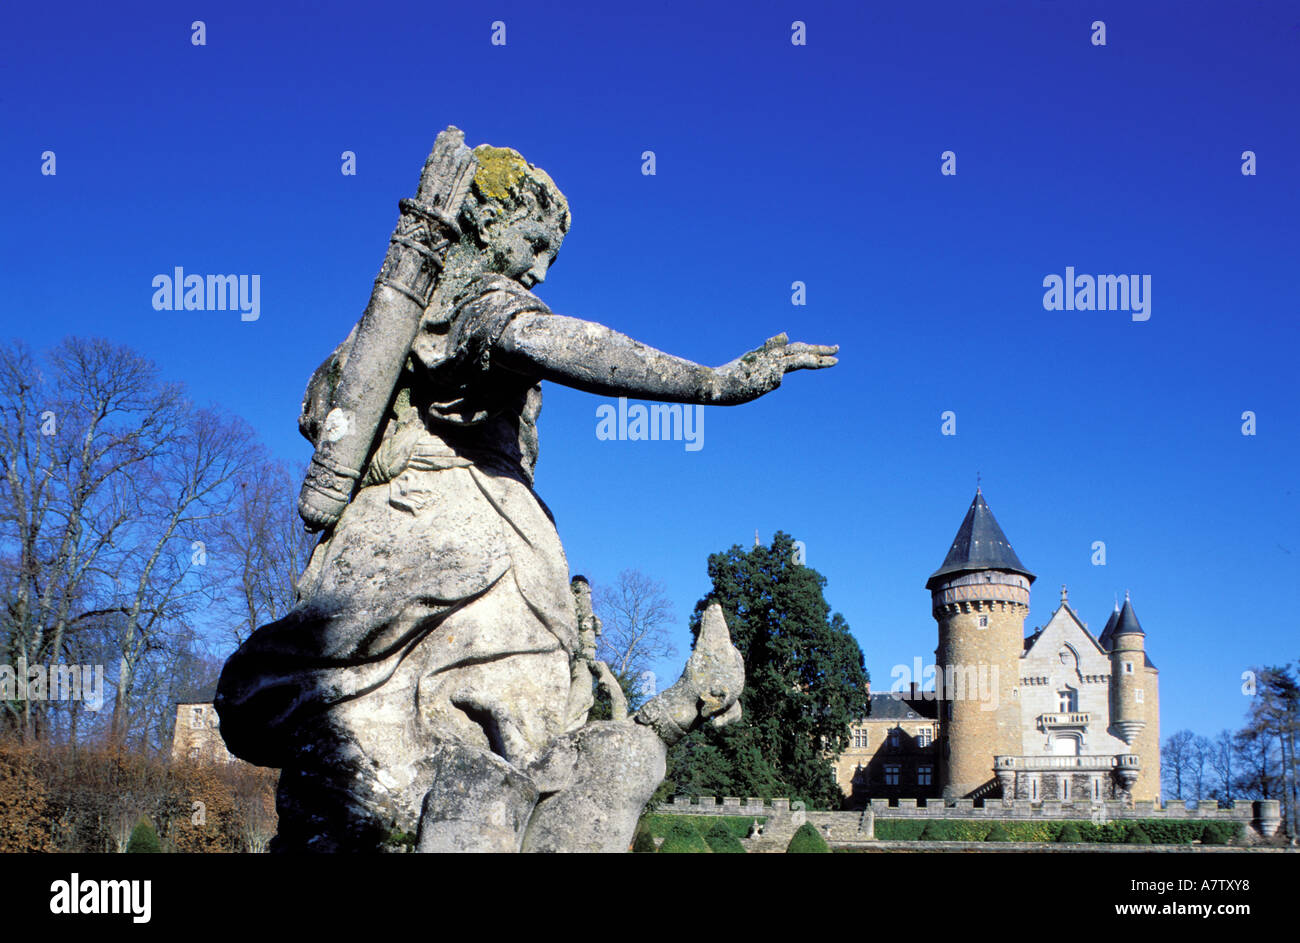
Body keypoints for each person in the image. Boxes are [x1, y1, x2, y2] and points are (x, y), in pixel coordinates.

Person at [216, 143, 837, 851]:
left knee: (519, 755)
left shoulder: (433, 314)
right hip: (450, 534)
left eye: (552, 255)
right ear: (486, 225)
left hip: (501, 541)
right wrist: (713, 383)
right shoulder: (474, 307)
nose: (539, 268)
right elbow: (566, 342)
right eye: (534, 243)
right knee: (470, 758)